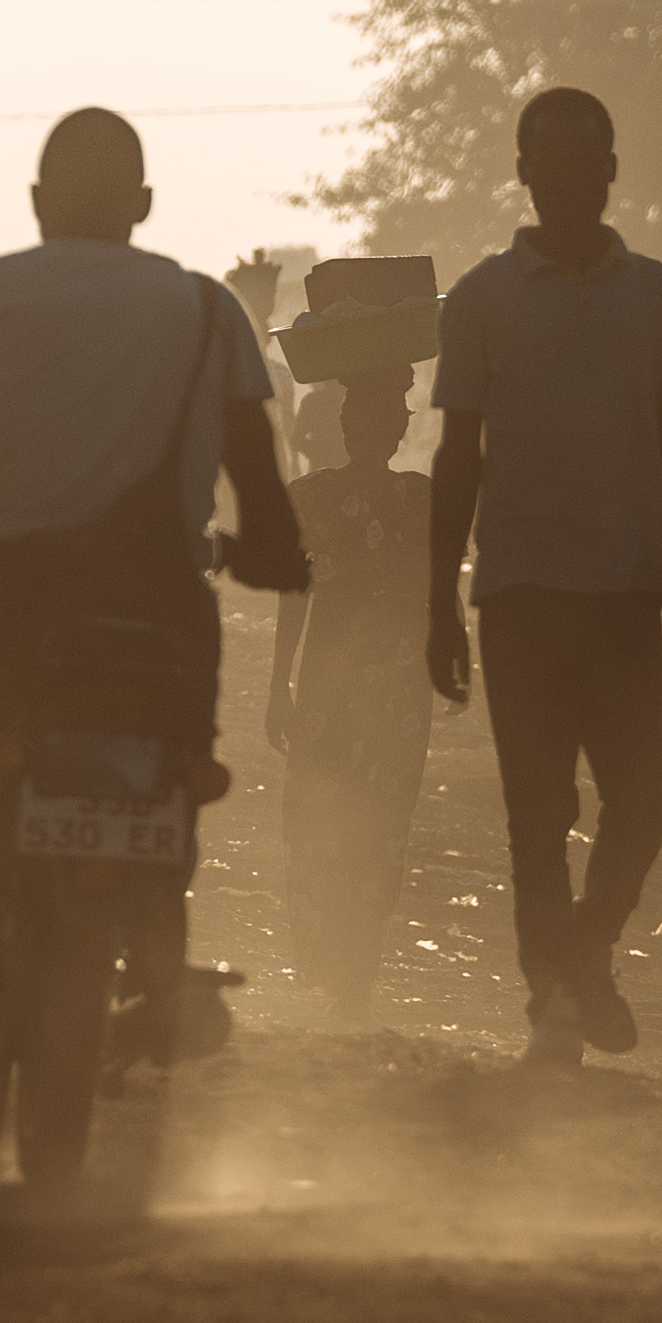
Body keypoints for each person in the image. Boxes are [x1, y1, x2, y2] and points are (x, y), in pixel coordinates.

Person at [0, 111, 305, 1008]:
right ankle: (164, 967)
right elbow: (264, 498)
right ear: (144, 204)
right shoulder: (209, 309)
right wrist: (272, 557)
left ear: (37, 203)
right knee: (180, 759)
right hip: (163, 601)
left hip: (16, 593)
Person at [426, 87, 662, 1069]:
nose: (564, 181)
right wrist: (439, 597)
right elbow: (457, 457)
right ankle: (552, 996)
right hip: (520, 591)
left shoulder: (657, 296)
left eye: (582, 162)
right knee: (539, 813)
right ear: (522, 173)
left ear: (608, 172)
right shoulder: (478, 301)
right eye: (545, 163)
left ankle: (586, 953)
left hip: (630, 588)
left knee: (641, 808)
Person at [264, 366, 435, 1012]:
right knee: (377, 819)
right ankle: (350, 970)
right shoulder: (421, 498)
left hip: (339, 685)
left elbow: (293, 595)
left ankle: (333, 968)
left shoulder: (314, 496)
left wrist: (279, 681)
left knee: (326, 820)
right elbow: (436, 597)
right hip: (390, 688)